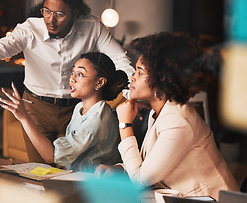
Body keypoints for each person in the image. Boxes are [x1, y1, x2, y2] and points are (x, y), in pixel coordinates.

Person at [0, 0, 134, 162]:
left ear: (75, 13)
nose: (51, 19)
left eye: (60, 14)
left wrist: (131, 94)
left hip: (75, 111)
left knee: (69, 174)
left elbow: (119, 60)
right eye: (46, 11)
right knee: (40, 174)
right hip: (36, 109)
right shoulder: (30, 28)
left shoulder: (93, 28)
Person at [95, 32, 239, 200]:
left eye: (140, 73)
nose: (132, 78)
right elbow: (149, 164)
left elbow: (141, 180)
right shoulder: (160, 111)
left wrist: (125, 125)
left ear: (162, 79)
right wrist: (120, 169)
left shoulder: (178, 120)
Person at [0, 52, 128, 172]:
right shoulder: (80, 108)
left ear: (100, 82)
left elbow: (51, 156)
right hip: (74, 177)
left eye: (80, 74)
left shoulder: (96, 119)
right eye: (72, 72)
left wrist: (24, 118)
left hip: (90, 185)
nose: (72, 79)